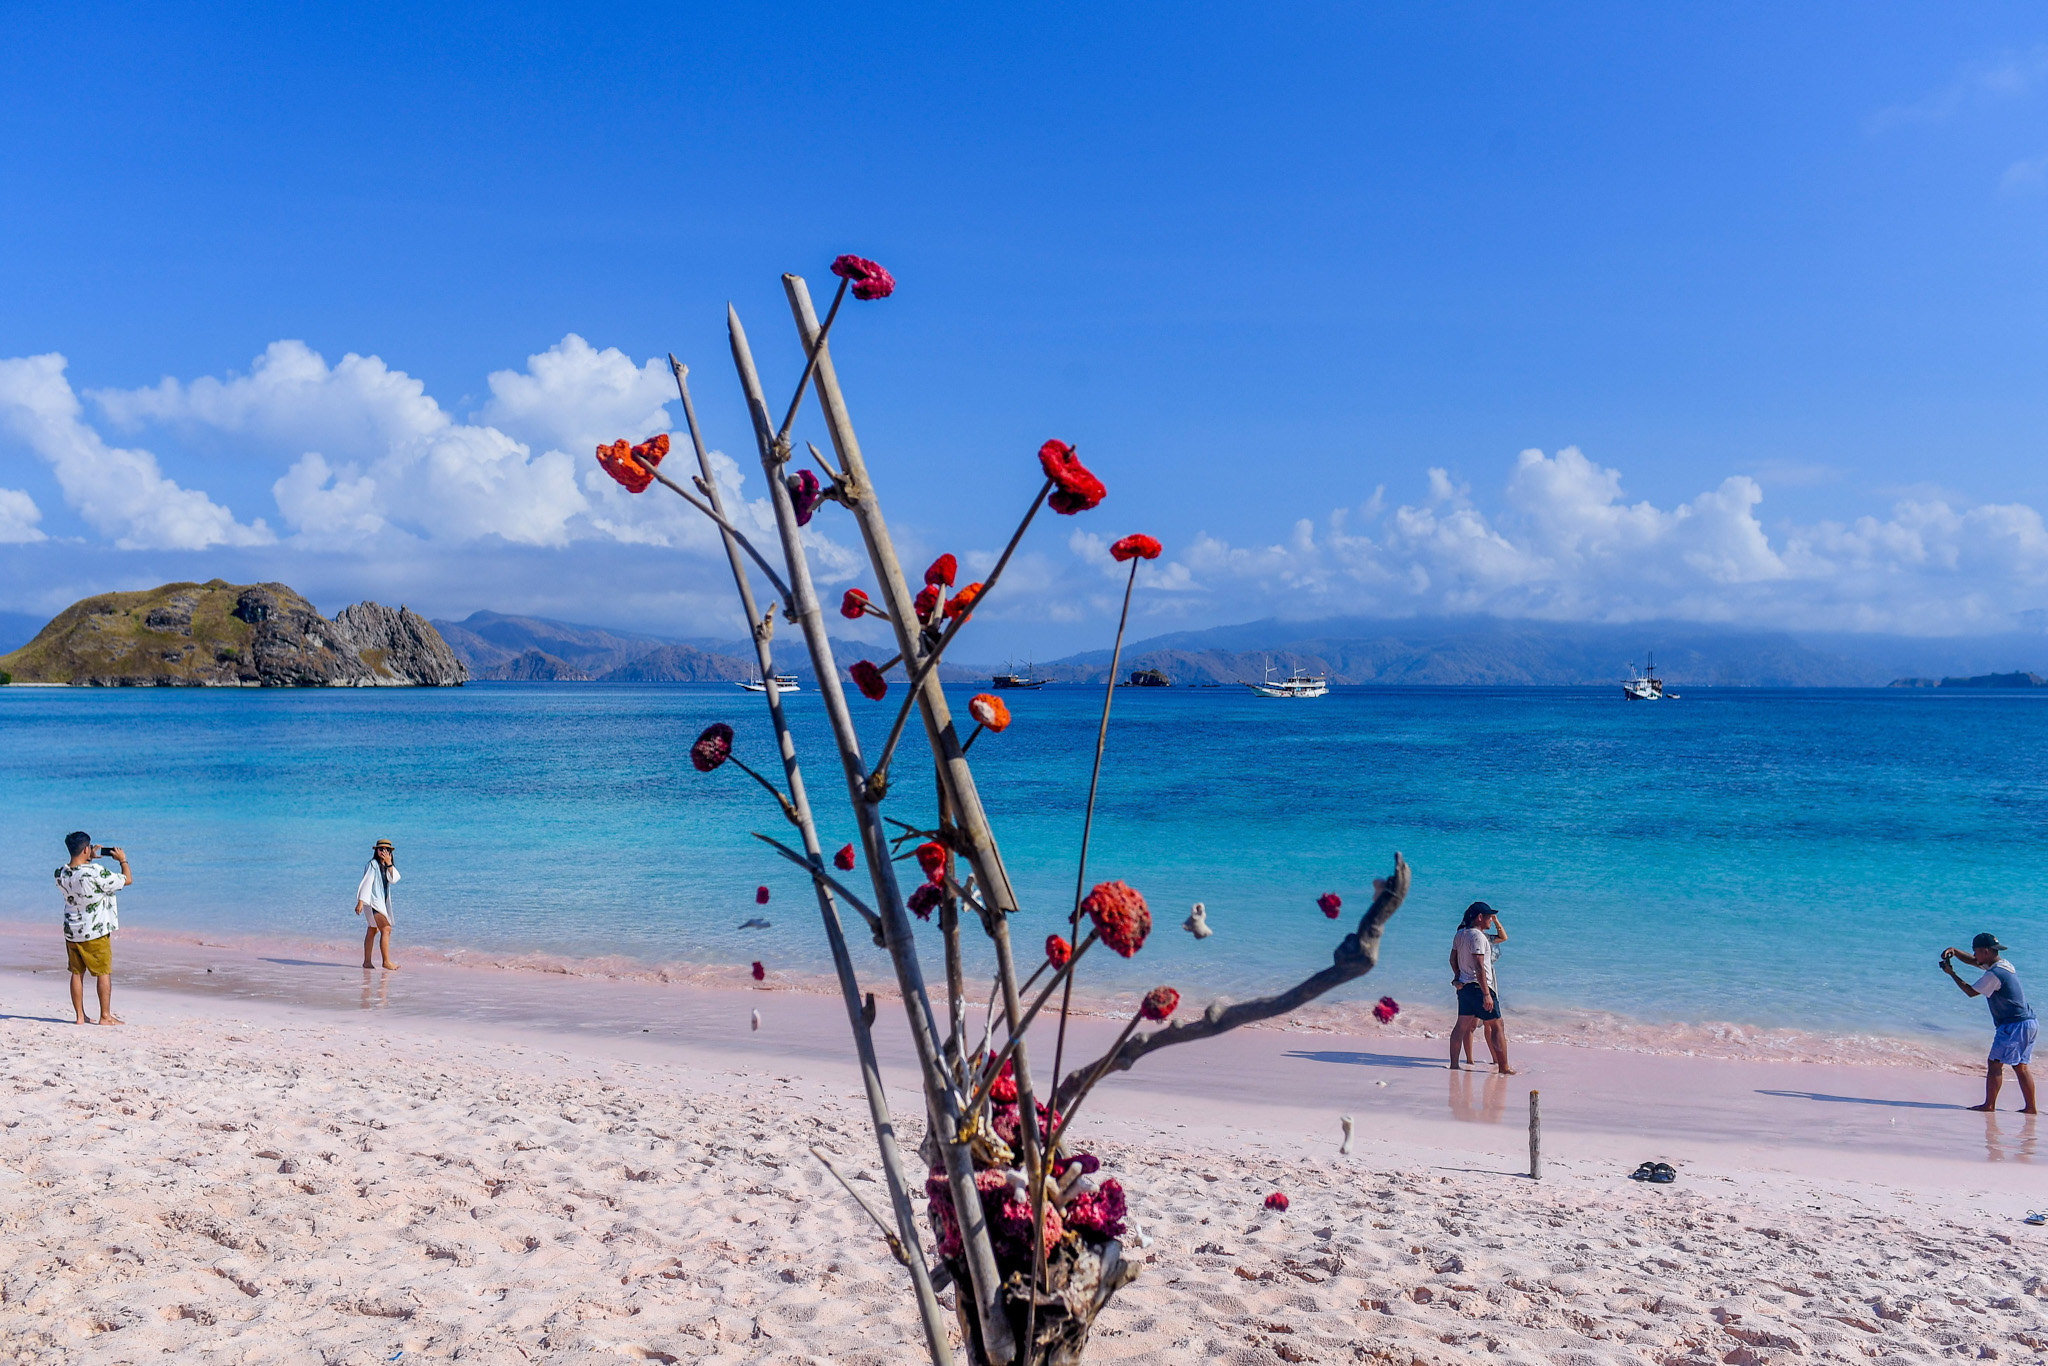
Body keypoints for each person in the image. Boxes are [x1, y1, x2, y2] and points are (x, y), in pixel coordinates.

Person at [1941, 932, 2036, 1114]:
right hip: (2029, 1023)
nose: (1975, 955)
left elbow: (1970, 992)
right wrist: (1955, 951)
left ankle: (1989, 1105)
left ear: (1985, 951)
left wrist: (1951, 973)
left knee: (1994, 1063)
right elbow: (1973, 961)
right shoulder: (2004, 965)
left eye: (1976, 952)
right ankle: (2031, 1108)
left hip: (2013, 1024)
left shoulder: (1995, 974)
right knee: (2020, 1066)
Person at [55, 831, 129, 1026]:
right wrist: (123, 861)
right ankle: (105, 1016)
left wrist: (88, 858)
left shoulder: (60, 874)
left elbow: (78, 873)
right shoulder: (95, 872)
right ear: (87, 849)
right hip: (95, 931)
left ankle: (80, 1016)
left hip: (72, 930)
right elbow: (126, 880)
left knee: (76, 973)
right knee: (103, 972)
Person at [1449, 900, 1514, 1074]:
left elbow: (1452, 960)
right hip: (1479, 987)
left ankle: (1454, 1065)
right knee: (1497, 1025)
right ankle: (1504, 1067)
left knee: (1461, 1025)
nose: (1491, 920)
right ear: (1479, 917)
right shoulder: (1477, 936)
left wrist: (1457, 977)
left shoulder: (1460, 934)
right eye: (1489, 917)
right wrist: (1486, 994)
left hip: (1464, 988)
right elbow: (1479, 966)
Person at [355, 839, 401, 971]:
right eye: (380, 849)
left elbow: (395, 879)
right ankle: (386, 961)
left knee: (372, 930)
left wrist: (389, 864)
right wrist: (360, 901)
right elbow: (366, 882)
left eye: (386, 850)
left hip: (380, 903)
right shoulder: (372, 865)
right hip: (372, 903)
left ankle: (367, 962)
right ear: (376, 851)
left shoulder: (387, 866)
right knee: (386, 929)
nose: (383, 852)